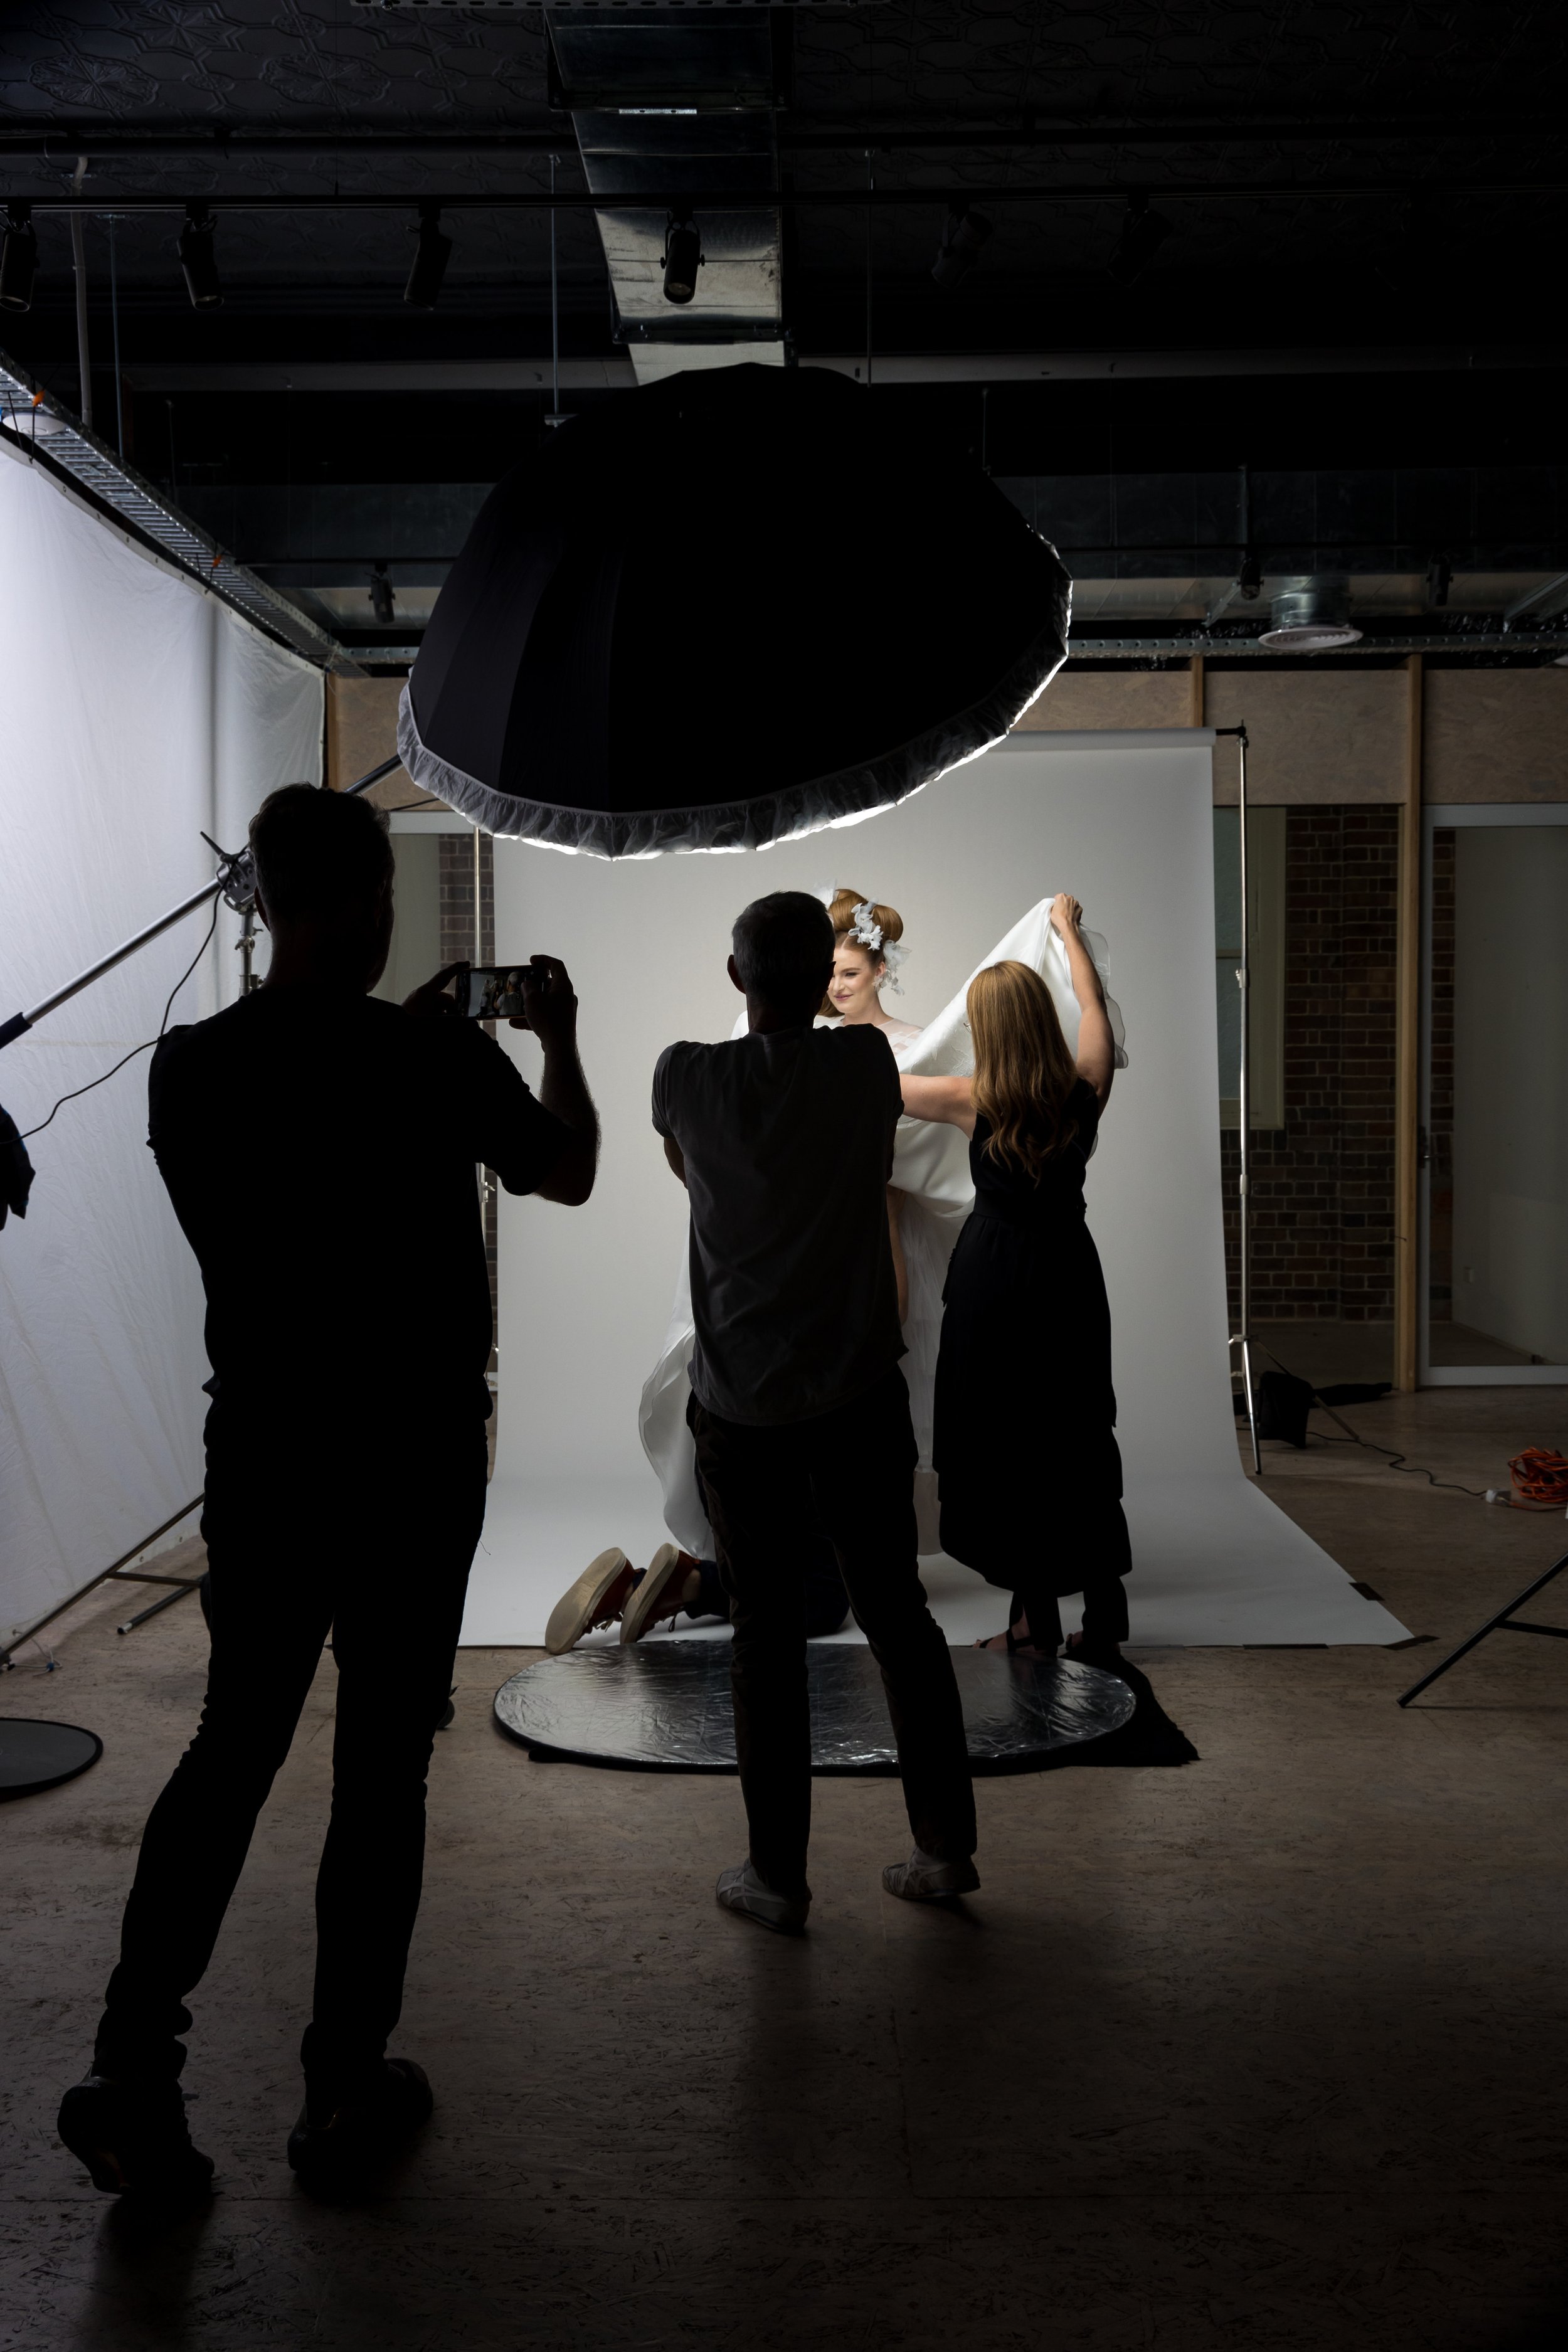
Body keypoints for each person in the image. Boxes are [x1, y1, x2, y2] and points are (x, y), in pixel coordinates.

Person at [56, 785, 598, 2200]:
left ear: (260, 902)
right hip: (408, 1461)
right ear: (365, 905)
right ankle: (342, 2085)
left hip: (267, 1452)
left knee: (232, 1747)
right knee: (377, 1771)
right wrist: (561, 1045)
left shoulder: (190, 1070)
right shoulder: (438, 1063)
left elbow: (290, 1159)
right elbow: (571, 1170)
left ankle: (130, 2061)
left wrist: (405, 1046)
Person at [652, 889, 978, 1935]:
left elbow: (688, 1168)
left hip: (742, 1402)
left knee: (764, 1635)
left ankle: (778, 1878)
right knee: (898, 1615)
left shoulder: (686, 1076)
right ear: (822, 976)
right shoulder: (862, 1067)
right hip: (853, 1394)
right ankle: (943, 1847)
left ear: (737, 977)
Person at [899, 893, 1128, 1667]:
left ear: (985, 1032)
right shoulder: (1083, 1088)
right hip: (1066, 1270)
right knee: (1074, 1434)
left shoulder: (971, 1099)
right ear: (1041, 1017)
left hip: (994, 1277)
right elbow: (1092, 1005)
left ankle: (1034, 1618)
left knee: (1003, 1443)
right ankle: (1100, 1617)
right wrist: (1065, 934)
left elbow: (880, 1083)